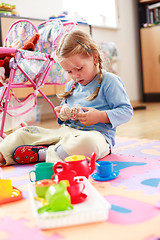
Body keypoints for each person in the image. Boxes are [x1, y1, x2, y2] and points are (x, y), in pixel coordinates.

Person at [0, 29, 133, 166]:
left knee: (88, 144)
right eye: (69, 72)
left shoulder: (109, 81)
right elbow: (63, 122)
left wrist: (100, 116)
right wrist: (62, 114)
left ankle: (43, 154)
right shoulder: (71, 85)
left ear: (94, 58)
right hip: (65, 135)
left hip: (96, 137)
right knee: (25, 132)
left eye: (79, 69)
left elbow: (126, 112)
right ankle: (4, 153)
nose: (75, 76)